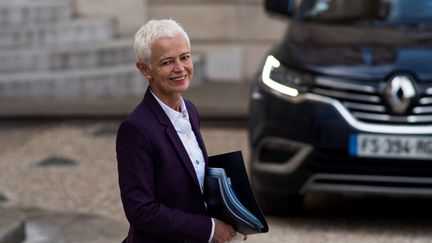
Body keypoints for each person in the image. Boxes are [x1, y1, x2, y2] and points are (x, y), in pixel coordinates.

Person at [116, 19, 245, 243]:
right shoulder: (135, 129)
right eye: (167, 62)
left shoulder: (191, 111)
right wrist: (209, 229)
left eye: (184, 57)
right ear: (145, 69)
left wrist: (236, 218)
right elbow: (141, 211)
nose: (180, 68)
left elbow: (194, 186)